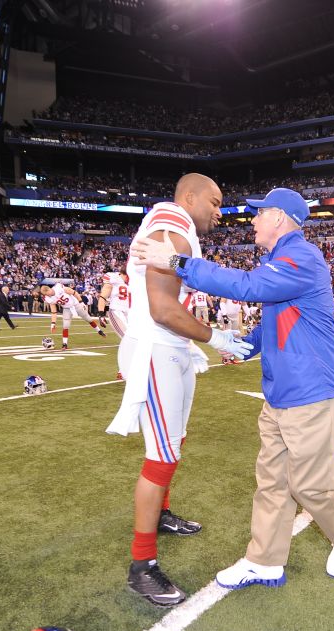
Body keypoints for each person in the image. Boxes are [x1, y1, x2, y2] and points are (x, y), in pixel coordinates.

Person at [130, 187, 334, 591]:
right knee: (271, 483)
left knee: (309, 486)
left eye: (260, 213)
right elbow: (275, 319)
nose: (252, 220)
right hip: (280, 392)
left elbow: (249, 287)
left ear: (279, 218)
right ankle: (265, 561)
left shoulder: (303, 256)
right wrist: (244, 345)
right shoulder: (282, 259)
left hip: (310, 393)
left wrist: (175, 261)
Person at [105, 173, 250, 608]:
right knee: (161, 455)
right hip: (156, 348)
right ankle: (141, 566)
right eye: (215, 201)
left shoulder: (177, 228)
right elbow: (164, 308)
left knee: (174, 442)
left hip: (172, 348)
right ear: (189, 197)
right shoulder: (172, 224)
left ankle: (161, 514)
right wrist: (217, 338)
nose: (219, 212)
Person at [42, 282, 106, 350]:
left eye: (46, 294)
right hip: (67, 308)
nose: (47, 296)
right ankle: (64, 344)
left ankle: (99, 331)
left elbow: (74, 292)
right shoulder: (49, 298)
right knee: (65, 326)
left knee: (88, 319)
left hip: (76, 304)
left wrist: (81, 302)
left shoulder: (59, 288)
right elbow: (53, 311)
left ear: (48, 290)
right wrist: (53, 323)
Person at [97, 270, 129, 338]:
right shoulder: (113, 278)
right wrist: (101, 314)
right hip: (116, 310)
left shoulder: (134, 280)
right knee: (127, 337)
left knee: (136, 337)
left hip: (129, 312)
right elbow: (103, 297)